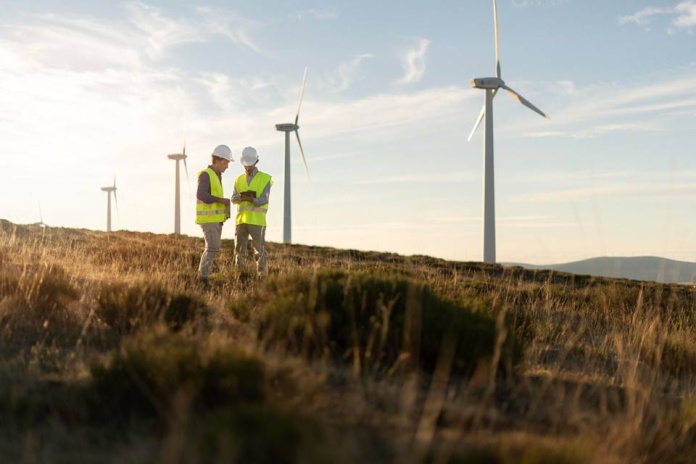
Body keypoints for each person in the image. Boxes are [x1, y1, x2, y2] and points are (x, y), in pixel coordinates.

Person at [231, 146, 273, 276]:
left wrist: (251, 199)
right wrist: (239, 198)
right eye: (245, 165)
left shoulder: (265, 178)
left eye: (250, 165)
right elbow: (232, 198)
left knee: (259, 251)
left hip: (257, 221)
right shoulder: (238, 179)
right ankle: (240, 276)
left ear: (256, 162)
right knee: (239, 251)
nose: (247, 168)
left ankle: (262, 277)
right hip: (241, 221)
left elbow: (264, 199)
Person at [196, 144, 232, 284]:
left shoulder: (217, 176)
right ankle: (202, 278)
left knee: (213, 248)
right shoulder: (206, 174)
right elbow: (201, 194)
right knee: (212, 247)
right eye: (225, 163)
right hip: (208, 219)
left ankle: (203, 276)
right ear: (217, 160)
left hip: (216, 219)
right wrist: (220, 200)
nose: (227, 166)